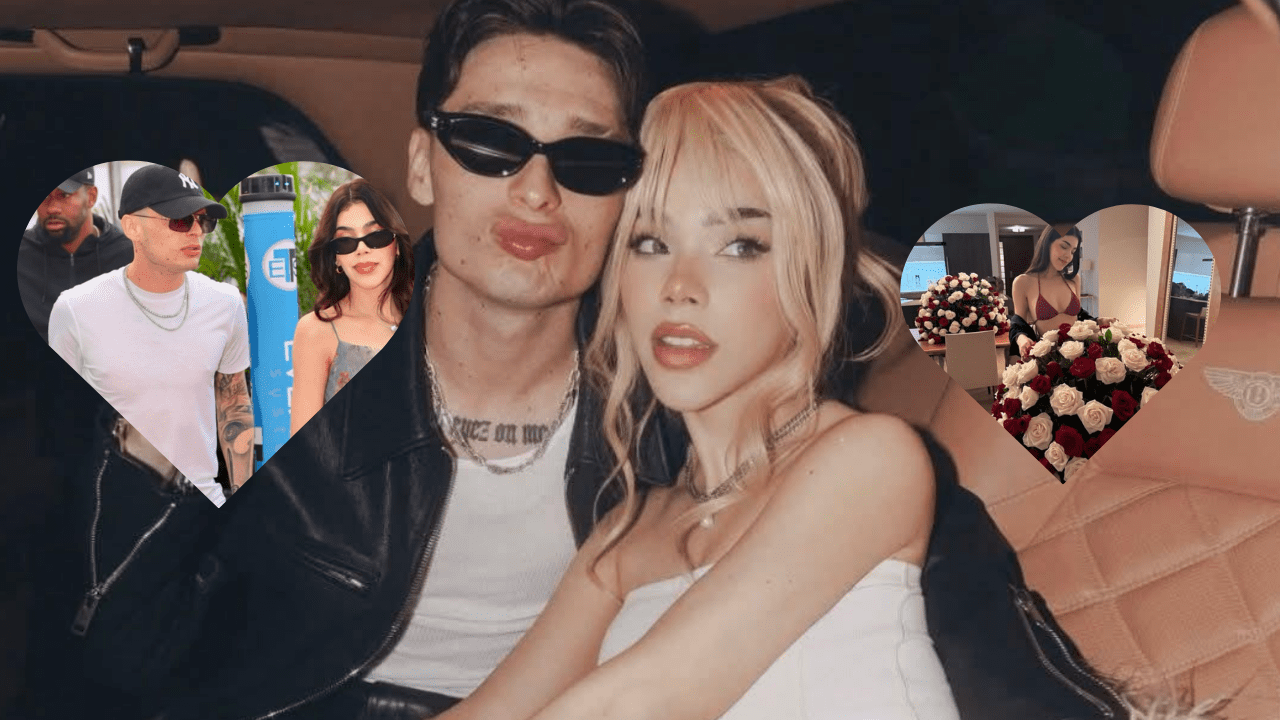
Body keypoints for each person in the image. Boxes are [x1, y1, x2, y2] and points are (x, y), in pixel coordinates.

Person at [40, 2, 683, 719]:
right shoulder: (284, 363)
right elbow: (126, 654)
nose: (538, 191)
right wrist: (163, 413)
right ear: (422, 166)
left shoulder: (675, 399)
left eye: (588, 158)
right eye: (488, 140)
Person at [429, 76, 961, 720]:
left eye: (740, 246)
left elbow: (641, 702)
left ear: (808, 268)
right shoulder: (623, 538)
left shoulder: (870, 459)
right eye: (650, 243)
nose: (679, 286)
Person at [46, 163, 253, 507]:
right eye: (180, 221)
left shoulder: (225, 303)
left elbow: (234, 404)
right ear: (133, 227)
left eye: (203, 221)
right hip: (112, 505)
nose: (196, 232)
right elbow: (64, 423)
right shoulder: (76, 309)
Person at [289, 178, 413, 434]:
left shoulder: (431, 321)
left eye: (375, 236)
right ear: (336, 257)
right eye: (346, 241)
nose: (362, 250)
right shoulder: (316, 331)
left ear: (397, 245)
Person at [18, 167, 133, 342]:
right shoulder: (20, 256)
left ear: (91, 197)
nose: (52, 208)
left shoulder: (129, 256)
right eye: (45, 196)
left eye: (64, 195)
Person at [1008, 225, 1088, 356]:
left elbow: (1079, 316)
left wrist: (1100, 320)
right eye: (1064, 246)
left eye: (1073, 251)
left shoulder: (1074, 280)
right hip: (1048, 360)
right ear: (1047, 243)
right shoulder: (1023, 282)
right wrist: (1021, 339)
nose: (1068, 256)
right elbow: (1018, 323)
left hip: (1079, 355)